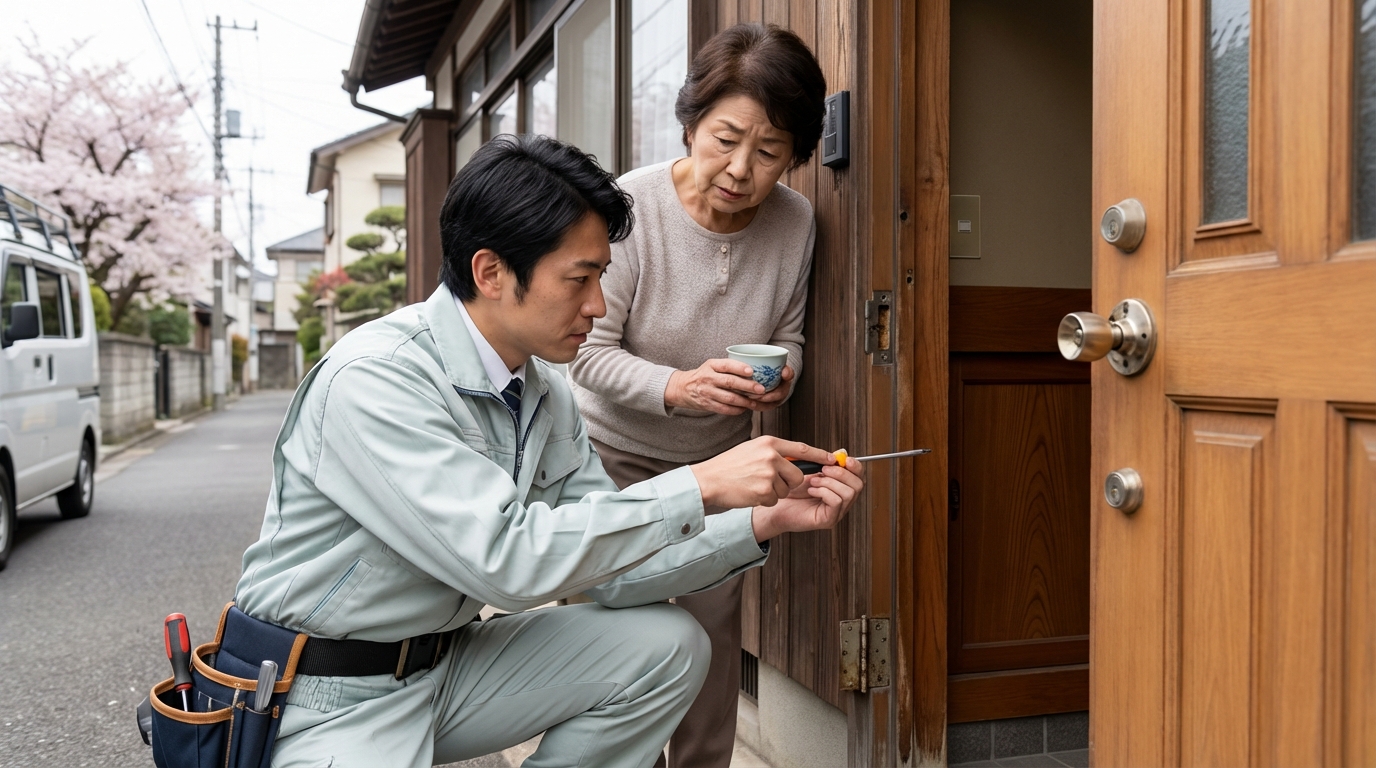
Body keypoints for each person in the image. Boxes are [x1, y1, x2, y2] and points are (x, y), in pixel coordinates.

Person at [229, 133, 863, 768]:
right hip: (323, 692)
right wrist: (701, 484)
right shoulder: (377, 378)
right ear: (491, 273)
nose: (598, 305)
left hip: (444, 666)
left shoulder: (541, 391)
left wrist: (762, 520)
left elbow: (614, 572)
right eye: (579, 279)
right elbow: (504, 561)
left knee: (666, 646)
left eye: (601, 277)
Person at [567, 23, 827, 768]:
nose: (741, 169)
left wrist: (782, 375)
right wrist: (677, 386)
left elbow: (789, 335)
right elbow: (586, 352)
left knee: (712, 644)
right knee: (613, 640)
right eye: (726, 139)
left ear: (795, 156)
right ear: (690, 124)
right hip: (612, 461)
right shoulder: (630, 207)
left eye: (769, 151)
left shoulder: (796, 221)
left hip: (720, 467)